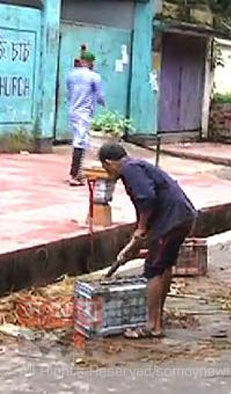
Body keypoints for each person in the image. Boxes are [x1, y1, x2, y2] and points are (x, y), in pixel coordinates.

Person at [99, 142, 197, 338]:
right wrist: (136, 241)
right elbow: (145, 206)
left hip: (171, 220)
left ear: (109, 163)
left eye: (105, 167)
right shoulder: (138, 166)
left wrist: (142, 228)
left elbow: (146, 198)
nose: (107, 172)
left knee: (153, 270)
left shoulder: (130, 169)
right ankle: (157, 317)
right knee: (164, 266)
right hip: (181, 216)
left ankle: (152, 325)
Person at [67, 50, 105, 186]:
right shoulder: (94, 77)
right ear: (90, 63)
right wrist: (103, 103)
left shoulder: (71, 75)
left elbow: (69, 91)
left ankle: (77, 172)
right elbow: (100, 96)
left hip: (73, 110)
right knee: (81, 141)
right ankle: (75, 174)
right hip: (84, 112)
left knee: (80, 139)